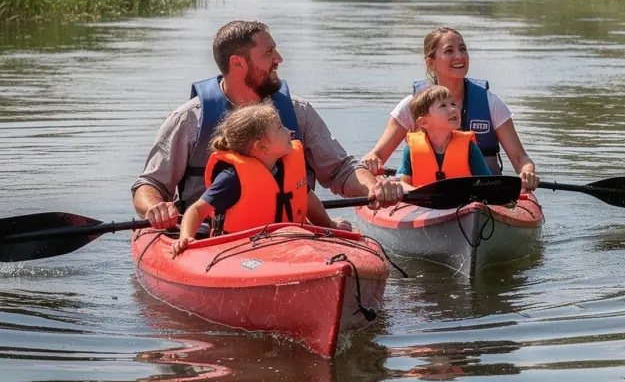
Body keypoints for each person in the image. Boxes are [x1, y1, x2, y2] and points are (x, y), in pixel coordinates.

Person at [133, 19, 402, 229]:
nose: (279, 60)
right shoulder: (189, 120)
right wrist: (155, 208)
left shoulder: (299, 112)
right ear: (238, 63)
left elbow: (341, 170)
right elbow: (150, 185)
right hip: (210, 240)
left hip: (286, 236)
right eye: (269, 53)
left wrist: (373, 187)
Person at [363, 26, 540, 192]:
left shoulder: (491, 104)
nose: (459, 56)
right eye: (449, 51)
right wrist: (372, 163)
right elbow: (377, 156)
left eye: (463, 49)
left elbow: (520, 158)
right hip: (423, 200)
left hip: (486, 196)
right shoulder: (413, 106)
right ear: (431, 63)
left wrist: (527, 172)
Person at [172, 102, 348, 256]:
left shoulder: (285, 167)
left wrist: (329, 224)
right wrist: (186, 237)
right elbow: (196, 210)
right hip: (240, 252)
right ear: (261, 146)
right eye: (280, 127)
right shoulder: (231, 179)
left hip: (287, 245)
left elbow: (306, 197)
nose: (289, 131)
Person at [395, 85, 493, 188]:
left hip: (464, 202)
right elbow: (402, 184)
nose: (453, 109)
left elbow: (487, 184)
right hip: (423, 202)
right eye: (443, 106)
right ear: (423, 122)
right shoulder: (410, 151)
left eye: (453, 104)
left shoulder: (470, 148)